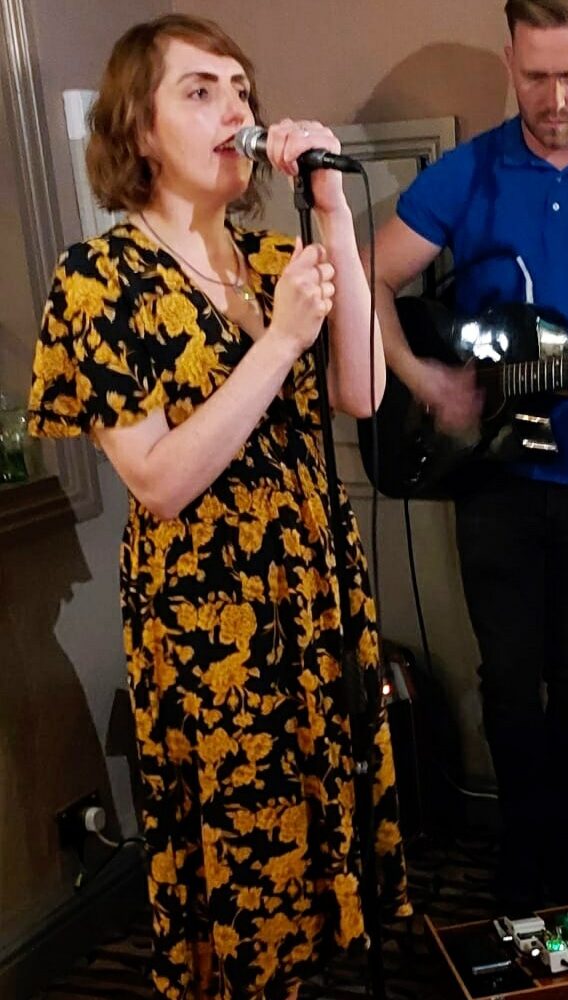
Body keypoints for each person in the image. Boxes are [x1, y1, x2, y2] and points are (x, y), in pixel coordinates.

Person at [28, 14, 409, 1000]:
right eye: (200, 90)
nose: (235, 109)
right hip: (210, 619)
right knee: (244, 876)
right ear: (138, 130)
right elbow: (156, 480)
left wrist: (329, 212)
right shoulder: (97, 279)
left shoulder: (270, 258)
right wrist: (277, 343)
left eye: (241, 89)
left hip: (316, 593)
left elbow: (362, 392)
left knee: (327, 854)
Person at [367, 0, 568, 913]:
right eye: (535, 74)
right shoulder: (471, 173)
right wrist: (425, 383)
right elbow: (369, 274)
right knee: (506, 677)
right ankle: (520, 850)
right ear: (508, 60)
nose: (554, 98)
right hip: (493, 474)